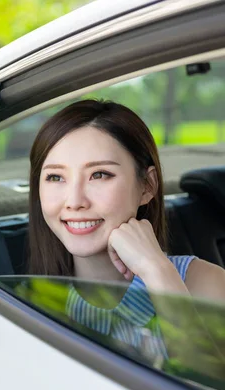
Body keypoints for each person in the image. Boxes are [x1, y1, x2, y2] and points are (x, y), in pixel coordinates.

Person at [27, 99, 225, 367]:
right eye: (55, 177)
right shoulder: (22, 298)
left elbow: (208, 384)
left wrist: (157, 271)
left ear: (147, 185)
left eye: (99, 174)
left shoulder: (207, 284)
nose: (74, 201)